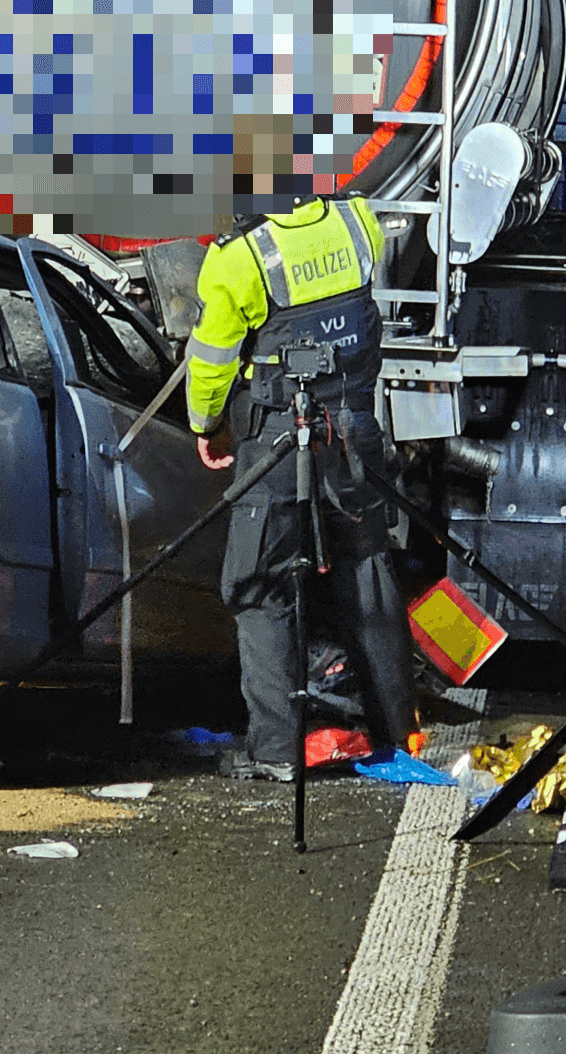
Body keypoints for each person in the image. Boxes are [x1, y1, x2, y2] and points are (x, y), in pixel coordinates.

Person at [186, 194, 415, 781]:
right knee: (367, 572)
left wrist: (206, 425)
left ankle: (275, 752)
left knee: (258, 586)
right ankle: (396, 735)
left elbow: (211, 362)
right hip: (355, 432)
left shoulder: (240, 258)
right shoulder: (355, 219)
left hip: (281, 441)